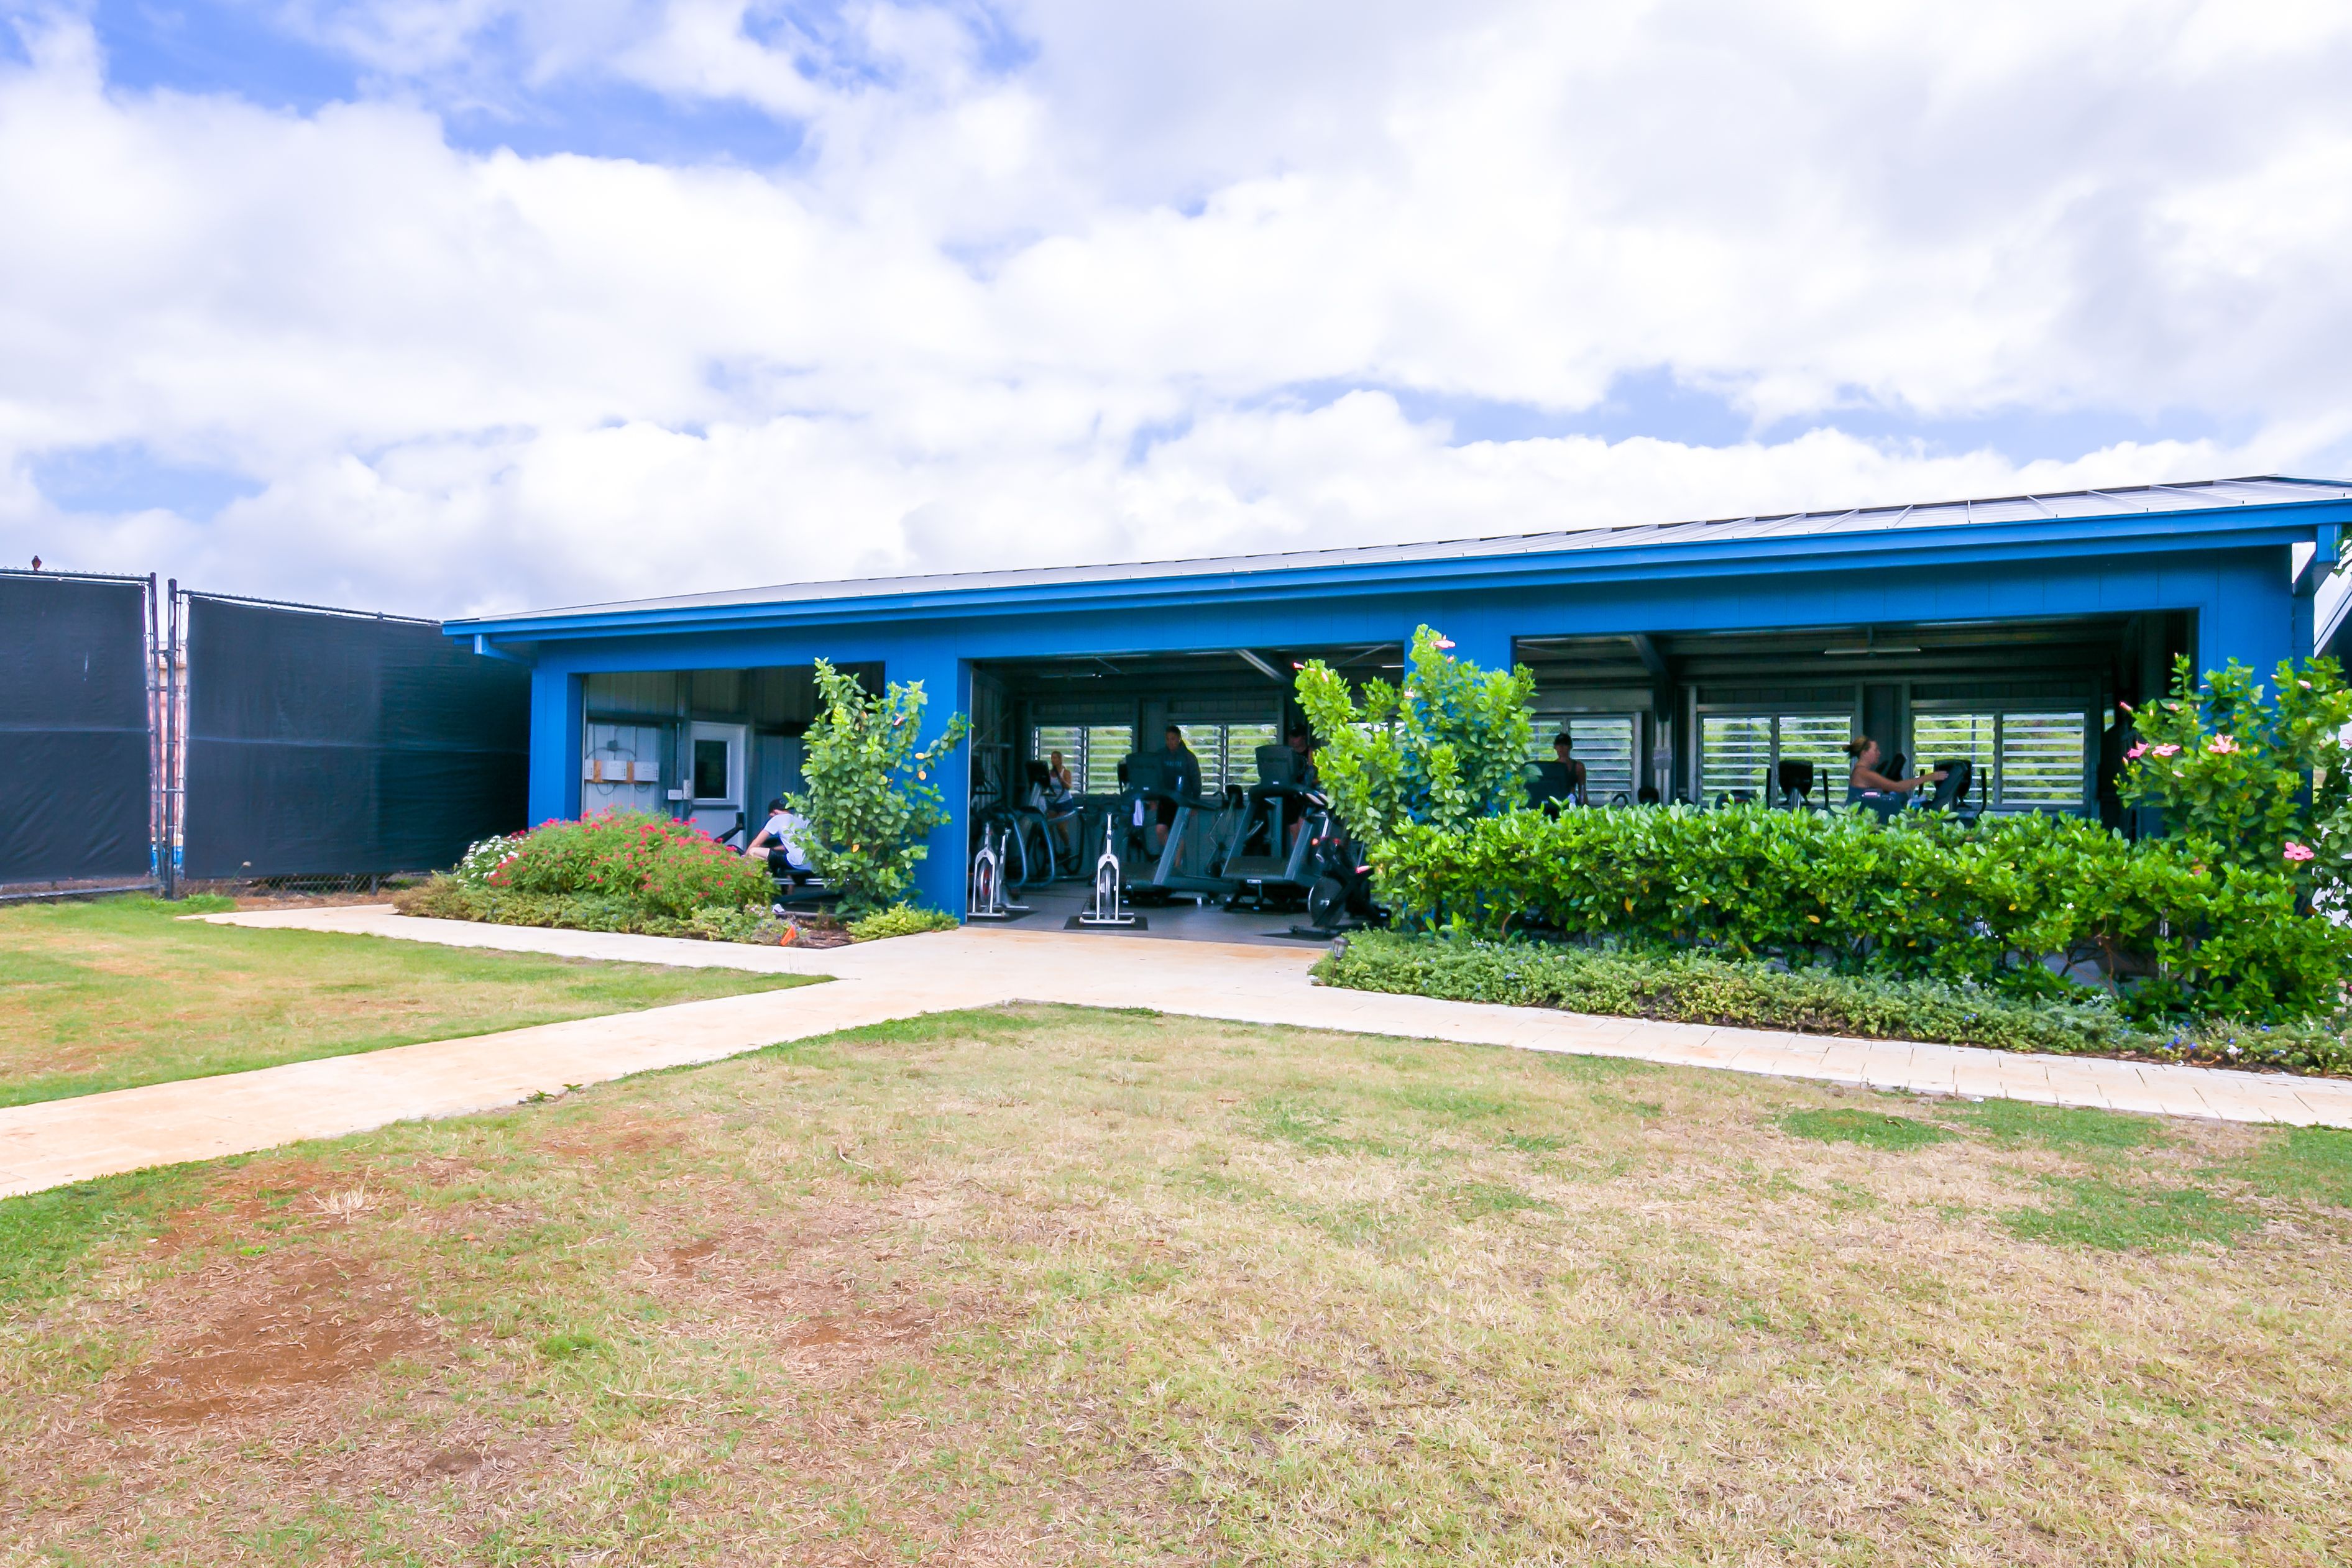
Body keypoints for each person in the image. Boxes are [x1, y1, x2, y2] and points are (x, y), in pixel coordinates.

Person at [1844, 737, 1944, 806]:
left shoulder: (1860, 771)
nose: (1879, 753)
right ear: (1864, 753)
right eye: (1876, 750)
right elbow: (1897, 787)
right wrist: (1930, 777)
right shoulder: (1863, 774)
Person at [743, 796, 814, 881]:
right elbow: (789, 847)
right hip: (812, 865)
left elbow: (756, 843)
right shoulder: (803, 818)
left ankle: (759, 885)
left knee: (753, 852)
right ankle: (787, 889)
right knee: (779, 859)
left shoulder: (777, 819)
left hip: (797, 863)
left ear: (773, 813)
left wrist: (743, 859)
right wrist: (772, 850)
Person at [1155, 724, 1201, 853]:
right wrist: (1153, 799)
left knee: (1177, 833)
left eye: (1173, 739)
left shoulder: (1189, 757)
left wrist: (1195, 803)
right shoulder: (1160, 755)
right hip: (1165, 800)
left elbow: (1196, 781)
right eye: (1168, 739)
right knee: (1160, 830)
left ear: (1179, 739)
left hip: (1182, 801)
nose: (1171, 742)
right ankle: (1170, 856)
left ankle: (1177, 865)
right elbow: (1154, 778)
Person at [1552, 730, 1589, 808]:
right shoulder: (1551, 767)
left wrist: (1584, 810)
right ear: (1555, 747)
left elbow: (1582, 792)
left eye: (1565, 744)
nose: (1562, 747)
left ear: (1570, 747)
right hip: (1555, 803)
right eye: (1559, 744)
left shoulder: (1578, 767)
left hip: (1571, 803)